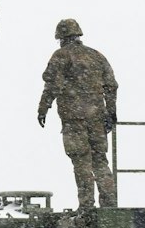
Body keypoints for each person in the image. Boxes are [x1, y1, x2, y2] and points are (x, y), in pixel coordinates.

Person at [37, 18, 119, 209]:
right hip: (97, 118)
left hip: (74, 120)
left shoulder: (61, 56)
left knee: (81, 162)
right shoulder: (97, 56)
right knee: (100, 161)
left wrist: (43, 108)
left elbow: (52, 86)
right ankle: (109, 205)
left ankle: (86, 205)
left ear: (61, 37)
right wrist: (111, 113)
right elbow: (111, 86)